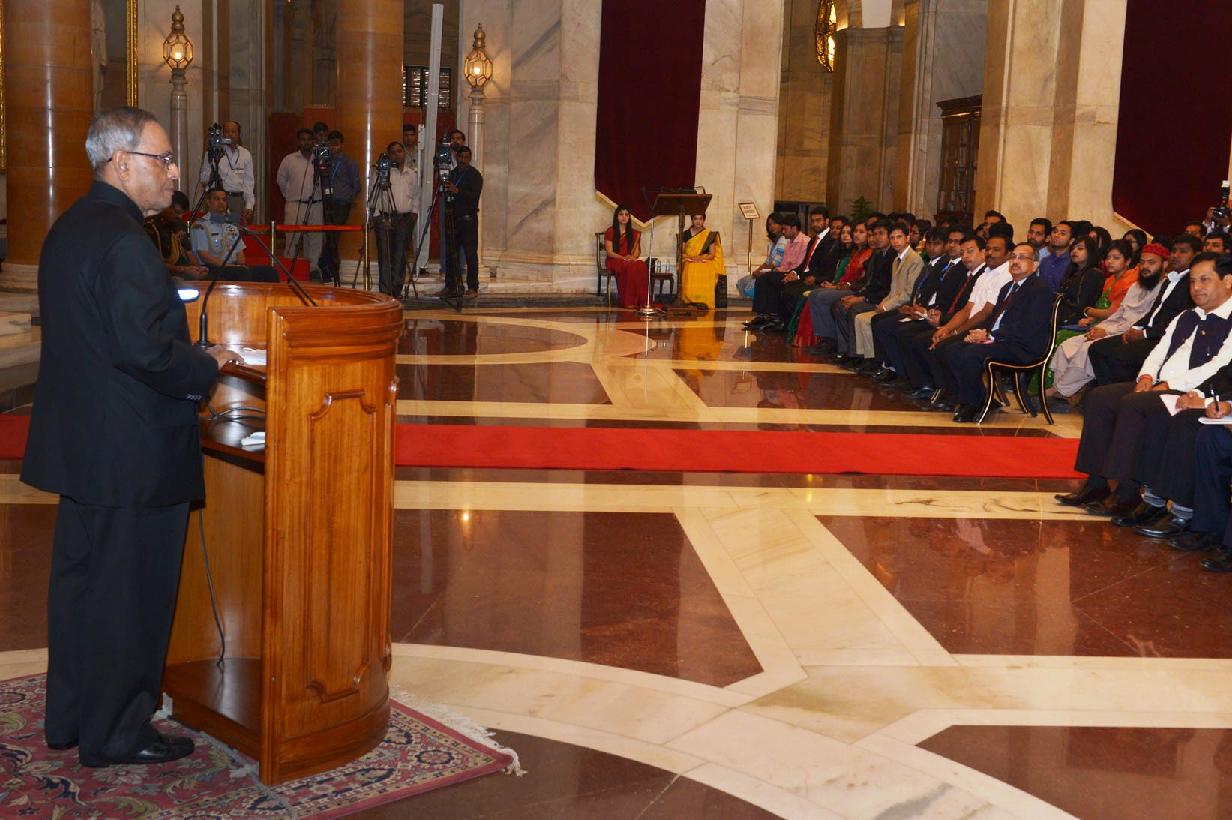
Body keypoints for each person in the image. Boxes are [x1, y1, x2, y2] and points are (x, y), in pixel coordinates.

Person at [22, 107, 238, 767]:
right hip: (133, 456)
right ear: (121, 163)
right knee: (129, 596)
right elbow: (147, 353)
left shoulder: (71, 227)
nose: (174, 172)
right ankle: (117, 731)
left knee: (83, 589)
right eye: (162, 159)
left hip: (84, 448)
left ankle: (71, 717)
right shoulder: (124, 241)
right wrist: (206, 366)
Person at [1059, 253, 1232, 517]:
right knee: (1100, 397)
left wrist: (1169, 384)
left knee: (1135, 405)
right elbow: (1158, 351)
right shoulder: (1187, 316)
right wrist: (1146, 377)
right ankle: (1096, 483)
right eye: (1193, 281)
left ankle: (1127, 492)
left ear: (1227, 281)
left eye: (1205, 280)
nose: (1197, 287)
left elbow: (1219, 366)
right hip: (1159, 384)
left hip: (1192, 392)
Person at [941, 243, 1055, 422]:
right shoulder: (1008, 286)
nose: (1015, 261)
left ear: (1035, 265)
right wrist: (979, 332)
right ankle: (981, 398)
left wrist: (990, 336)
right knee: (952, 349)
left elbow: (1027, 327)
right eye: (1013, 257)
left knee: (970, 353)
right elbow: (994, 319)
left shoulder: (1040, 290)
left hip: (1022, 346)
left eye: (1022, 258)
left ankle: (971, 404)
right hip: (1001, 340)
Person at [1047, 241, 1167, 404]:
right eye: (1142, 262)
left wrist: (1106, 332)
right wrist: (1099, 328)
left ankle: (1058, 391)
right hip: (1111, 327)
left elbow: (1141, 322)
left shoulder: (1164, 290)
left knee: (1087, 349)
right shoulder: (1136, 286)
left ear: (1164, 264)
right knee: (1067, 345)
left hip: (1129, 333)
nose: (1145, 267)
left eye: (1151, 263)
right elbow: (1119, 313)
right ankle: (1065, 394)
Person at [1087, 235, 1199, 385]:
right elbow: (1153, 312)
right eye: (1174, 251)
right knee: (1097, 348)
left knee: (1117, 356)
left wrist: (1144, 334)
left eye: (1183, 251)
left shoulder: (1192, 284)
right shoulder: (1171, 279)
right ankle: (1107, 388)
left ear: (1196, 255)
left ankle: (1121, 391)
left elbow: (1178, 321)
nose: (1176, 255)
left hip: (1163, 338)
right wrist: (1133, 329)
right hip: (1148, 332)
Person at [188, 187, 278, 282]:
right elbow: (204, 256)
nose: (221, 202)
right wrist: (232, 267)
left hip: (234, 268)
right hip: (211, 268)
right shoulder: (200, 225)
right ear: (208, 202)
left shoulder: (231, 225)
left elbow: (240, 253)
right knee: (241, 272)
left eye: (224, 199)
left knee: (270, 272)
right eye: (216, 199)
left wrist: (241, 266)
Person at [276, 128, 323, 273]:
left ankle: (312, 269)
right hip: (295, 205)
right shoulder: (289, 159)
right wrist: (290, 196)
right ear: (298, 141)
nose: (306, 142)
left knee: (315, 239)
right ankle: (289, 269)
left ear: (313, 141)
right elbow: (281, 180)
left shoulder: (320, 159)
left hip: (316, 204)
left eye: (309, 139)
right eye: (303, 139)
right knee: (292, 238)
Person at [376, 141, 418, 297]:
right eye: (393, 152)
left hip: (404, 219)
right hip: (385, 218)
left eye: (399, 151)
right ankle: (385, 291)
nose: (397, 155)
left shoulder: (411, 174)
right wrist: (377, 216)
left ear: (404, 153)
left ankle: (396, 289)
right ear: (389, 155)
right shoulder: (383, 172)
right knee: (385, 255)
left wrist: (414, 213)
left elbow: (416, 195)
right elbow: (374, 194)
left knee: (400, 255)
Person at [318, 130, 359, 286]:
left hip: (341, 204)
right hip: (327, 202)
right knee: (329, 235)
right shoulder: (325, 161)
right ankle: (329, 266)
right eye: (330, 144)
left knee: (334, 236)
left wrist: (348, 198)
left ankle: (326, 264)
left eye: (336, 144)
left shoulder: (349, 162)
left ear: (341, 144)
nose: (333, 148)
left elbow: (356, 185)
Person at [443, 144, 483, 298]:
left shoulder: (475, 175)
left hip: (468, 219)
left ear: (470, 159)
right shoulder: (452, 174)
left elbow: (474, 196)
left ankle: (472, 287)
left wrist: (457, 190)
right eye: (460, 157)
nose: (463, 160)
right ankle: (451, 286)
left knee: (470, 254)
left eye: (466, 157)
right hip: (453, 218)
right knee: (451, 254)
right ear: (456, 157)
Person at [197, 120, 254, 222]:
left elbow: (249, 183)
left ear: (238, 134)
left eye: (233, 131)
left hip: (237, 200)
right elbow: (203, 178)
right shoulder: (213, 151)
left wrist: (249, 205)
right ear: (223, 134)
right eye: (227, 131)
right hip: (219, 199)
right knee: (217, 227)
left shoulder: (245, 154)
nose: (230, 134)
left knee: (234, 229)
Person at [144, 191, 207, 280]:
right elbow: (154, 263)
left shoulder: (178, 224)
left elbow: (189, 253)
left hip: (185, 274)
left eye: (182, 214)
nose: (180, 217)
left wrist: (198, 269)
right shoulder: (151, 227)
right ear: (166, 207)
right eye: (177, 212)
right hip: (165, 277)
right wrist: (184, 270)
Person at [604, 204, 649, 308]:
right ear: (616, 216)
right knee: (628, 266)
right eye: (621, 214)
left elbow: (636, 253)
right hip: (614, 259)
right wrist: (623, 258)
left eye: (626, 214)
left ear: (629, 217)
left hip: (628, 259)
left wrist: (632, 258)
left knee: (640, 265)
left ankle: (640, 300)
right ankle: (628, 301)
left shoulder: (634, 233)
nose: (624, 217)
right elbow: (610, 252)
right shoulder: (610, 231)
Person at [678, 213, 724, 308]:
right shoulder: (686, 234)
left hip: (705, 260)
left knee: (706, 270)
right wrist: (691, 258)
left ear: (704, 220)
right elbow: (681, 252)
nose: (698, 221)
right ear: (692, 220)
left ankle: (704, 301)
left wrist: (701, 258)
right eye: (695, 219)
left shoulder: (709, 235)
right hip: (689, 259)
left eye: (700, 219)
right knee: (691, 268)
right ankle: (690, 300)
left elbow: (712, 254)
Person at [1037, 221, 1073, 290]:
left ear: (1071, 241)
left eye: (1062, 233)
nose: (1056, 235)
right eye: (1055, 232)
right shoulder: (1045, 261)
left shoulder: (1073, 263)